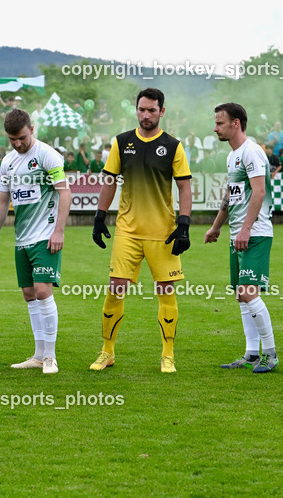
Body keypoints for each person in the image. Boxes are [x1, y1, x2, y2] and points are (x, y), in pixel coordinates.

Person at [90, 88, 192, 374]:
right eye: (142, 109)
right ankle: (106, 352)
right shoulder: (122, 142)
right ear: (136, 109)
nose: (146, 115)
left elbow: (184, 186)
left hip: (163, 233)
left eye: (151, 110)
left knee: (166, 292)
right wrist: (100, 216)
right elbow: (109, 181)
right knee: (115, 289)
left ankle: (167, 355)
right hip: (128, 232)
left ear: (162, 111)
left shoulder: (173, 145)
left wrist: (183, 224)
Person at [0, 109, 71, 373]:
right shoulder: (8, 162)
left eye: (21, 137)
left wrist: (59, 231)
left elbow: (65, 194)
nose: (18, 144)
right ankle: (38, 354)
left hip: (45, 236)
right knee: (29, 294)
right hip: (22, 239)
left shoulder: (47, 155)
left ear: (31, 130)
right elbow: (2, 202)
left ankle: (51, 357)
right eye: (12, 139)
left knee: (43, 291)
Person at [204, 103, 278, 373]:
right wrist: (216, 227)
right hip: (238, 234)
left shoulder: (252, 151)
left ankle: (270, 354)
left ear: (236, 123)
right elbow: (230, 197)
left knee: (249, 292)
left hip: (255, 234)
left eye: (220, 123)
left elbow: (259, 192)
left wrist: (246, 228)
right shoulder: (233, 156)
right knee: (241, 295)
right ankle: (251, 354)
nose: (215, 128)